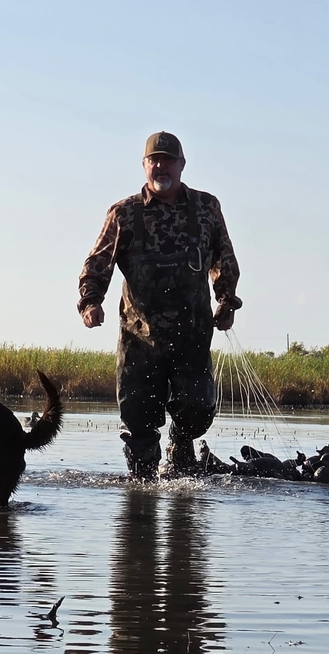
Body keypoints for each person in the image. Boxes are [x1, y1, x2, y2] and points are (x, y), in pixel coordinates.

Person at [78, 132, 241, 479]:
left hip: (192, 334)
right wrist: (91, 302)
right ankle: (142, 493)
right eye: (154, 160)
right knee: (138, 420)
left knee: (197, 409)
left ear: (181, 165)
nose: (161, 166)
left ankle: (181, 446)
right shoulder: (124, 213)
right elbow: (98, 262)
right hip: (140, 337)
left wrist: (226, 300)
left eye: (168, 160)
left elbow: (224, 258)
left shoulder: (206, 207)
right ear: (144, 166)